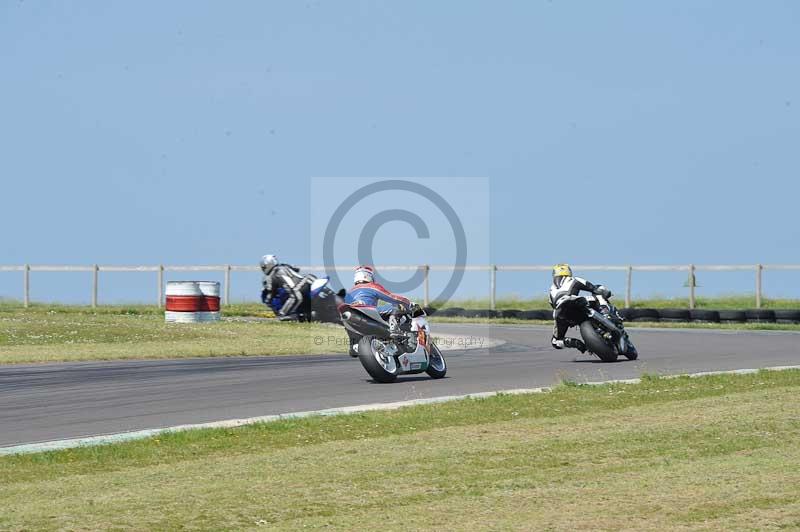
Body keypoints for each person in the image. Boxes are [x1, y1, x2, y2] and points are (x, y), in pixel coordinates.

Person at [548, 263, 613, 353]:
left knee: (555, 342)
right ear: (569, 271)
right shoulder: (574, 279)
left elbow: (552, 305)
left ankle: (575, 343)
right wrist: (606, 292)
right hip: (576, 302)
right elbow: (593, 288)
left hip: (560, 313)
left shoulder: (551, 290)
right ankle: (606, 314)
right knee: (598, 293)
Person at [345, 265, 412, 333]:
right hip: (370, 313)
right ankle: (393, 329)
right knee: (397, 306)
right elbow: (392, 298)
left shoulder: (349, 293)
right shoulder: (372, 286)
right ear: (368, 276)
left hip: (352, 319)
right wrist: (408, 302)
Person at [260, 254, 315, 320]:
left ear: (268, 264)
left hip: (298, 290)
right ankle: (309, 313)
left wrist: (268, 300)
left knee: (282, 316)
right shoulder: (284, 266)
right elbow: (297, 269)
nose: (263, 269)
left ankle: (301, 317)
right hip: (307, 281)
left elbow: (270, 291)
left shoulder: (273, 274)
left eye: (263, 267)